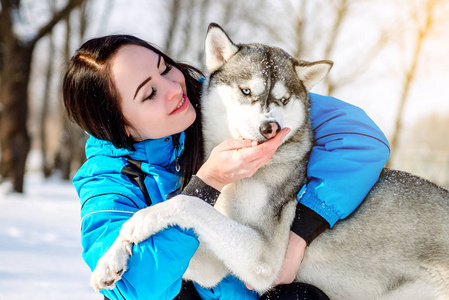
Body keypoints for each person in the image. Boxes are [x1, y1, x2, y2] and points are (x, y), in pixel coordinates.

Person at [63, 35, 390, 300]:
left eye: (165, 69)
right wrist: (208, 182)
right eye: (150, 93)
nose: (174, 89)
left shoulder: (231, 94)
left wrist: (300, 233)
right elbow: (133, 287)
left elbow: (361, 138)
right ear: (122, 127)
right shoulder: (108, 181)